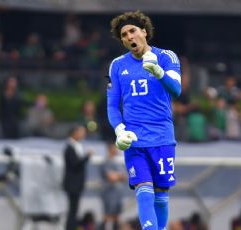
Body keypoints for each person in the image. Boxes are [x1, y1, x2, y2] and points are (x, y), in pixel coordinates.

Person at [107, 11, 181, 229]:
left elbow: (176, 89)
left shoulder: (167, 57)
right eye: (124, 34)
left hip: (162, 136)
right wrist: (120, 130)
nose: (129, 37)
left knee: (161, 193)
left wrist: (158, 71)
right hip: (135, 139)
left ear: (144, 33)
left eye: (132, 31)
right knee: (144, 189)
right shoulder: (117, 66)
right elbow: (112, 104)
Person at [62, 125, 93, 230]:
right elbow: (75, 164)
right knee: (72, 210)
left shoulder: (76, 146)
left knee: (74, 209)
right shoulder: (69, 147)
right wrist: (86, 157)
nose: (83, 134)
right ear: (74, 133)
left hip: (76, 184)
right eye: (81, 132)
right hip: (72, 184)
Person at [100, 141, 127, 230]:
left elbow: (125, 177)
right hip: (109, 193)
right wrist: (119, 176)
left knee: (116, 216)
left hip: (118, 194)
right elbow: (111, 177)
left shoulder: (118, 162)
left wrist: (118, 175)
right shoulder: (106, 162)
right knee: (107, 215)